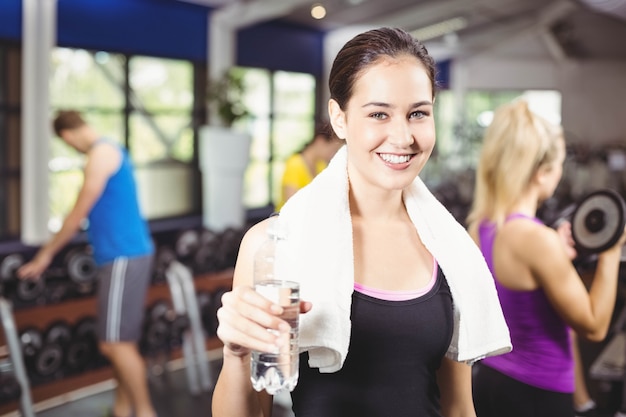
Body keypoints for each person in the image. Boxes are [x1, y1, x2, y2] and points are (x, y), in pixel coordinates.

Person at [212, 27, 511, 417]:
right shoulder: (275, 245)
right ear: (339, 118)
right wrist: (236, 356)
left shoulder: (448, 248)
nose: (402, 136)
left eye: (418, 113)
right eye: (378, 114)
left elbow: (457, 406)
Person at [467, 99, 626, 417]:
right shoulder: (536, 240)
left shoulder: (481, 225)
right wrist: (611, 249)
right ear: (541, 173)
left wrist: (557, 256)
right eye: (558, 165)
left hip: (492, 381)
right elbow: (593, 327)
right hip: (538, 395)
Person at [18, 110, 157, 417]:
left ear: (67, 136)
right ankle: (123, 410)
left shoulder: (101, 154)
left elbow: (79, 210)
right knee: (123, 342)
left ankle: (146, 412)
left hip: (124, 255)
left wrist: (45, 254)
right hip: (122, 255)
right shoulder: (107, 149)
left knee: (114, 345)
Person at [275, 121, 343, 211]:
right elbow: (290, 203)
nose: (332, 155)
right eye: (332, 150)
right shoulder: (295, 164)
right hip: (289, 220)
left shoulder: (320, 166)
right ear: (320, 141)